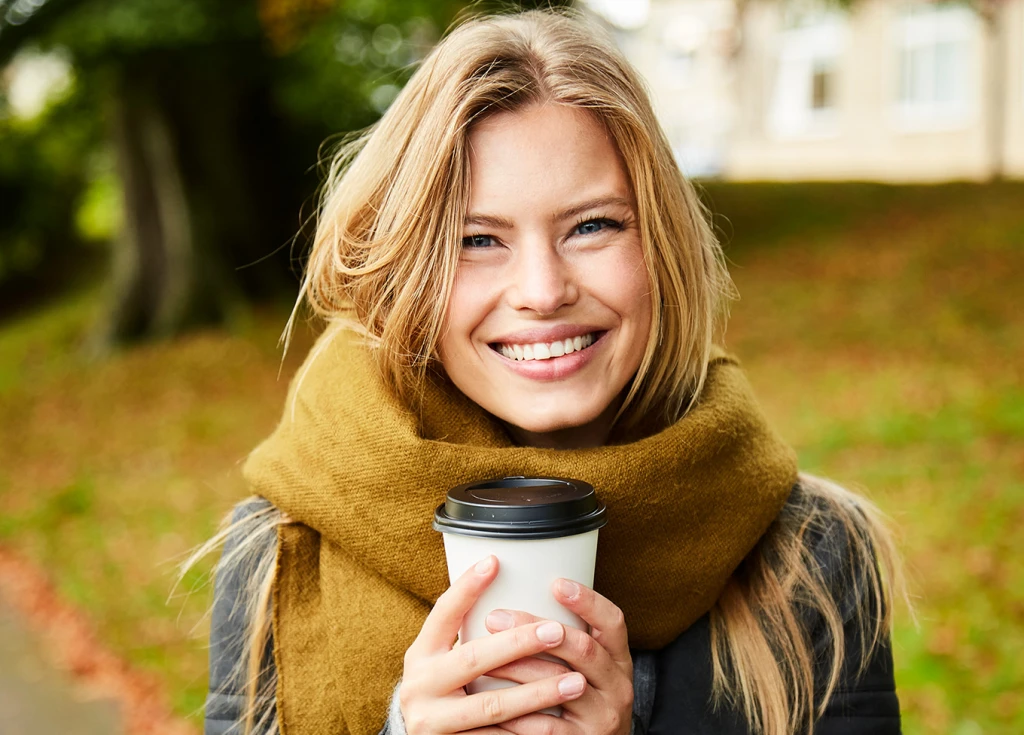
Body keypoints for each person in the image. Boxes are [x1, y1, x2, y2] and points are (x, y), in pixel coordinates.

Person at [196, 9, 905, 735]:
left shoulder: (811, 555)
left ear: (662, 243)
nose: (542, 289)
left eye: (592, 225)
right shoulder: (280, 551)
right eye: (477, 239)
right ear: (407, 273)